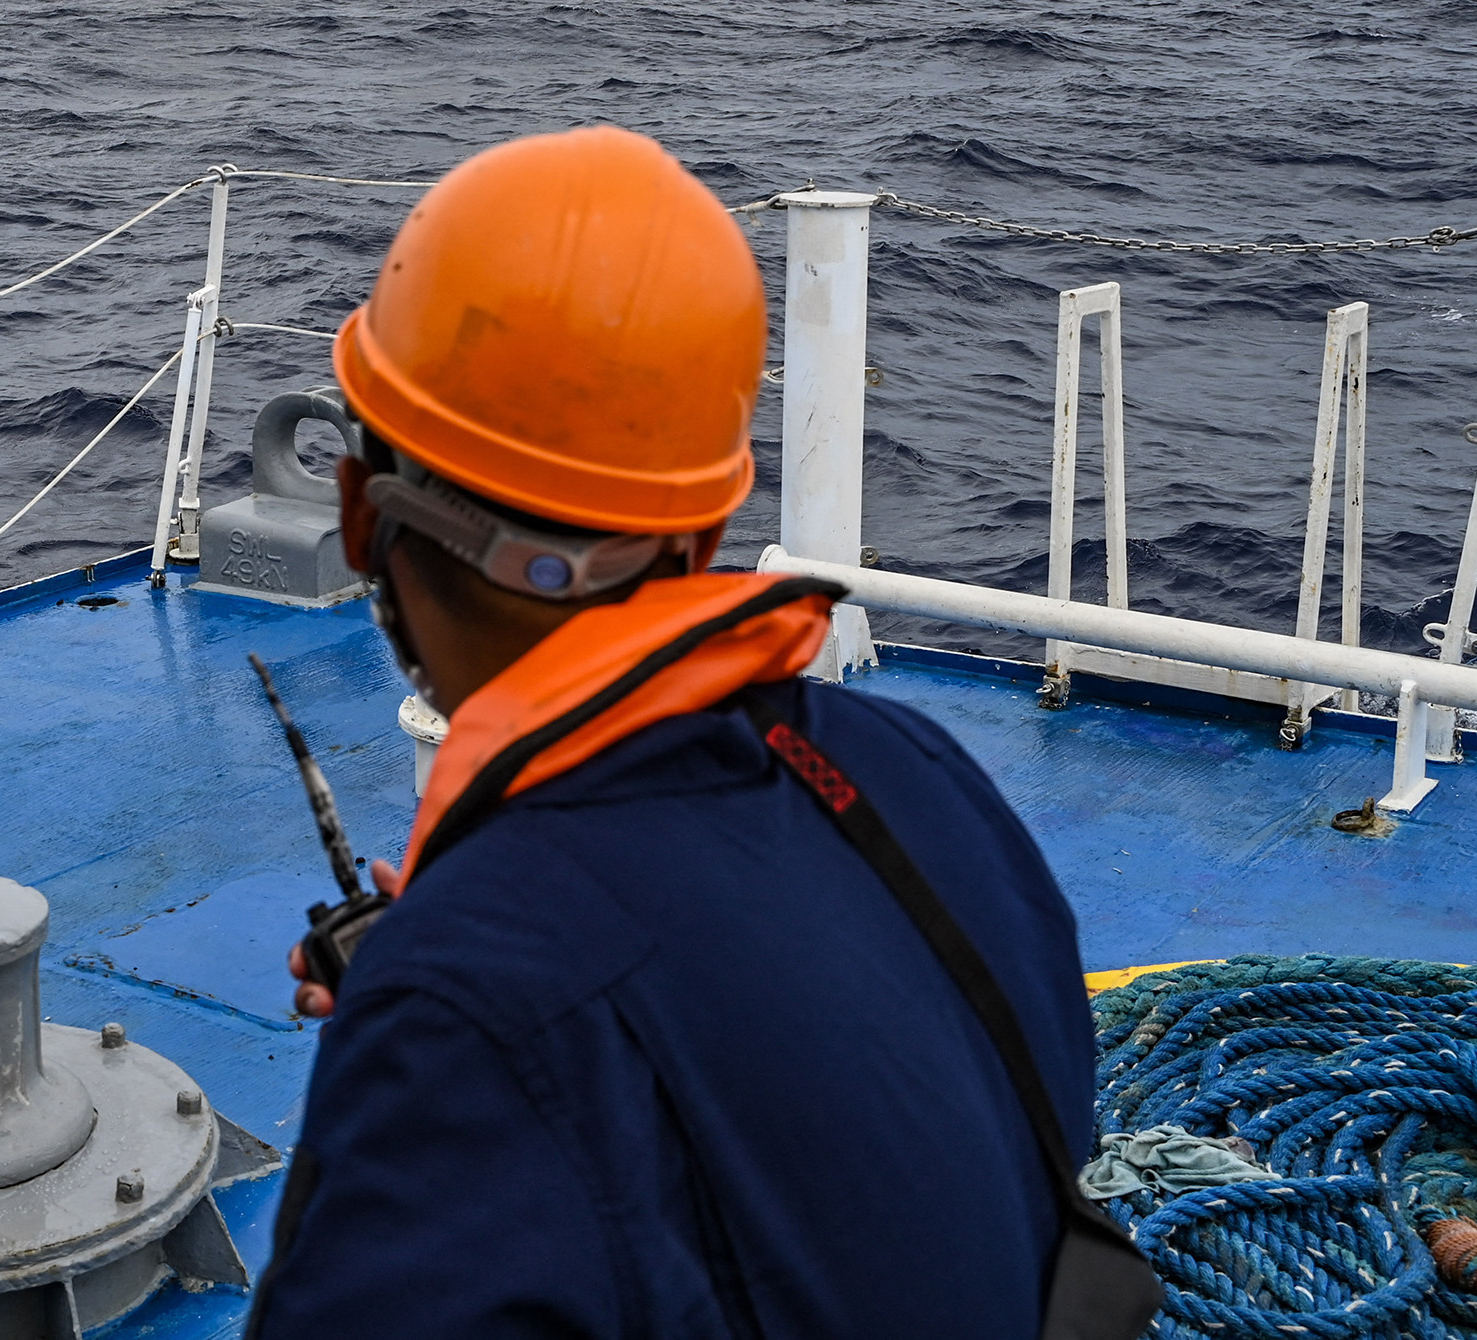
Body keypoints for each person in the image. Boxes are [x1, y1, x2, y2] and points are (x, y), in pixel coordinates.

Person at [245, 126, 1102, 1339]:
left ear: (356, 508)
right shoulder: (918, 772)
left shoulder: (454, 1019)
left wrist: (449, 994)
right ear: (700, 525)